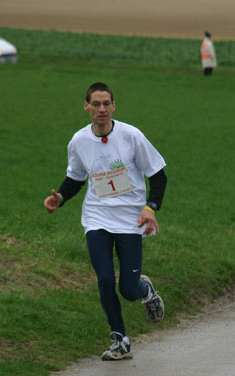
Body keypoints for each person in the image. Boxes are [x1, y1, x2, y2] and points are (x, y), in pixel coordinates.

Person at [44, 82, 168, 361]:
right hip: (97, 217)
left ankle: (145, 291)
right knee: (104, 278)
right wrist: (60, 198)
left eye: (106, 104)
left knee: (128, 290)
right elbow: (76, 177)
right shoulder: (79, 141)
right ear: (86, 106)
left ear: (114, 106)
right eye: (96, 104)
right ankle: (120, 339)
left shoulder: (131, 136)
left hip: (130, 220)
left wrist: (150, 208)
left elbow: (158, 175)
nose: (101, 109)